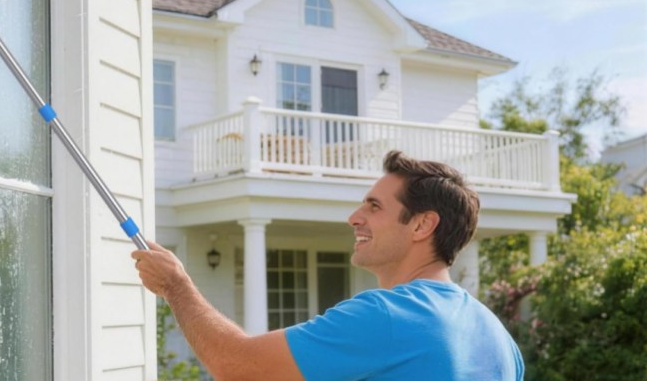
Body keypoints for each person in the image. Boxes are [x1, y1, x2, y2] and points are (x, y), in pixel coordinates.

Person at [132, 150, 524, 380]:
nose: (354, 217)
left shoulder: (388, 315)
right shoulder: (498, 338)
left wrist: (176, 286)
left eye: (374, 206)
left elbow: (237, 366)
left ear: (423, 224)